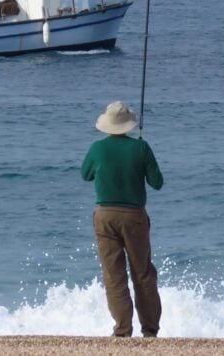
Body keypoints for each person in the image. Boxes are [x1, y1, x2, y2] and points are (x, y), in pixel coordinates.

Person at [81, 101, 164, 337]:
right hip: (134, 217)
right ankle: (149, 330)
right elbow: (157, 183)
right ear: (128, 125)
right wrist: (142, 154)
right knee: (143, 273)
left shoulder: (97, 148)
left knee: (113, 275)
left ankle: (122, 330)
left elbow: (85, 175)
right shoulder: (141, 147)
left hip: (105, 217)